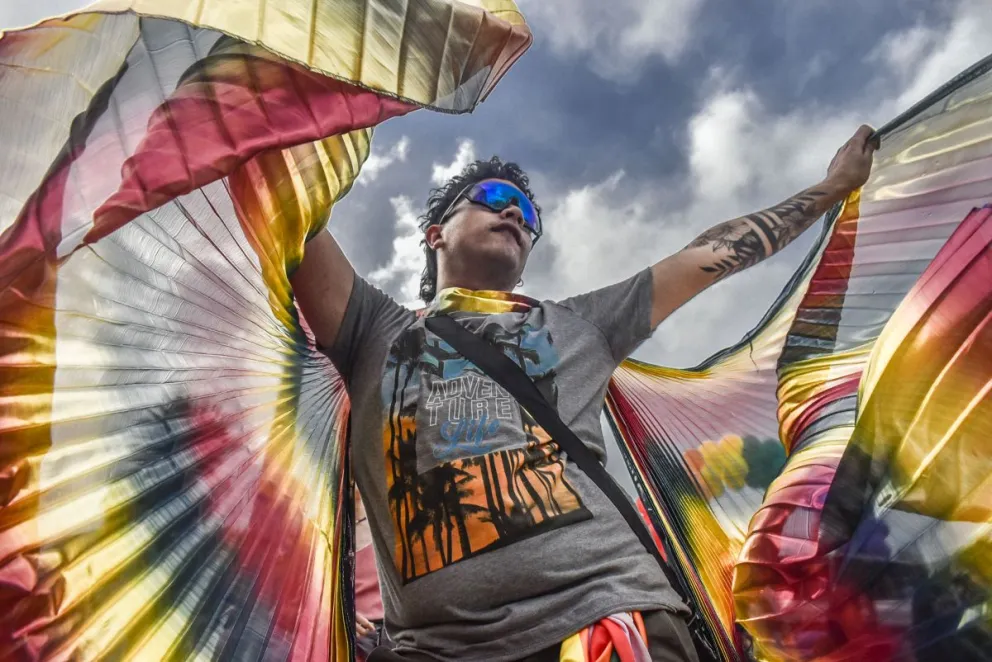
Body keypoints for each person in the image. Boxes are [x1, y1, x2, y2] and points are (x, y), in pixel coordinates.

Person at [290, 125, 877, 661]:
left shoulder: (580, 325)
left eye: (527, 216)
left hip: (608, 623)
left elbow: (712, 254)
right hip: (437, 652)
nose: (517, 217)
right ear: (435, 233)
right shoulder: (374, 330)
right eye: (496, 202)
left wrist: (832, 186)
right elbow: (289, 202)